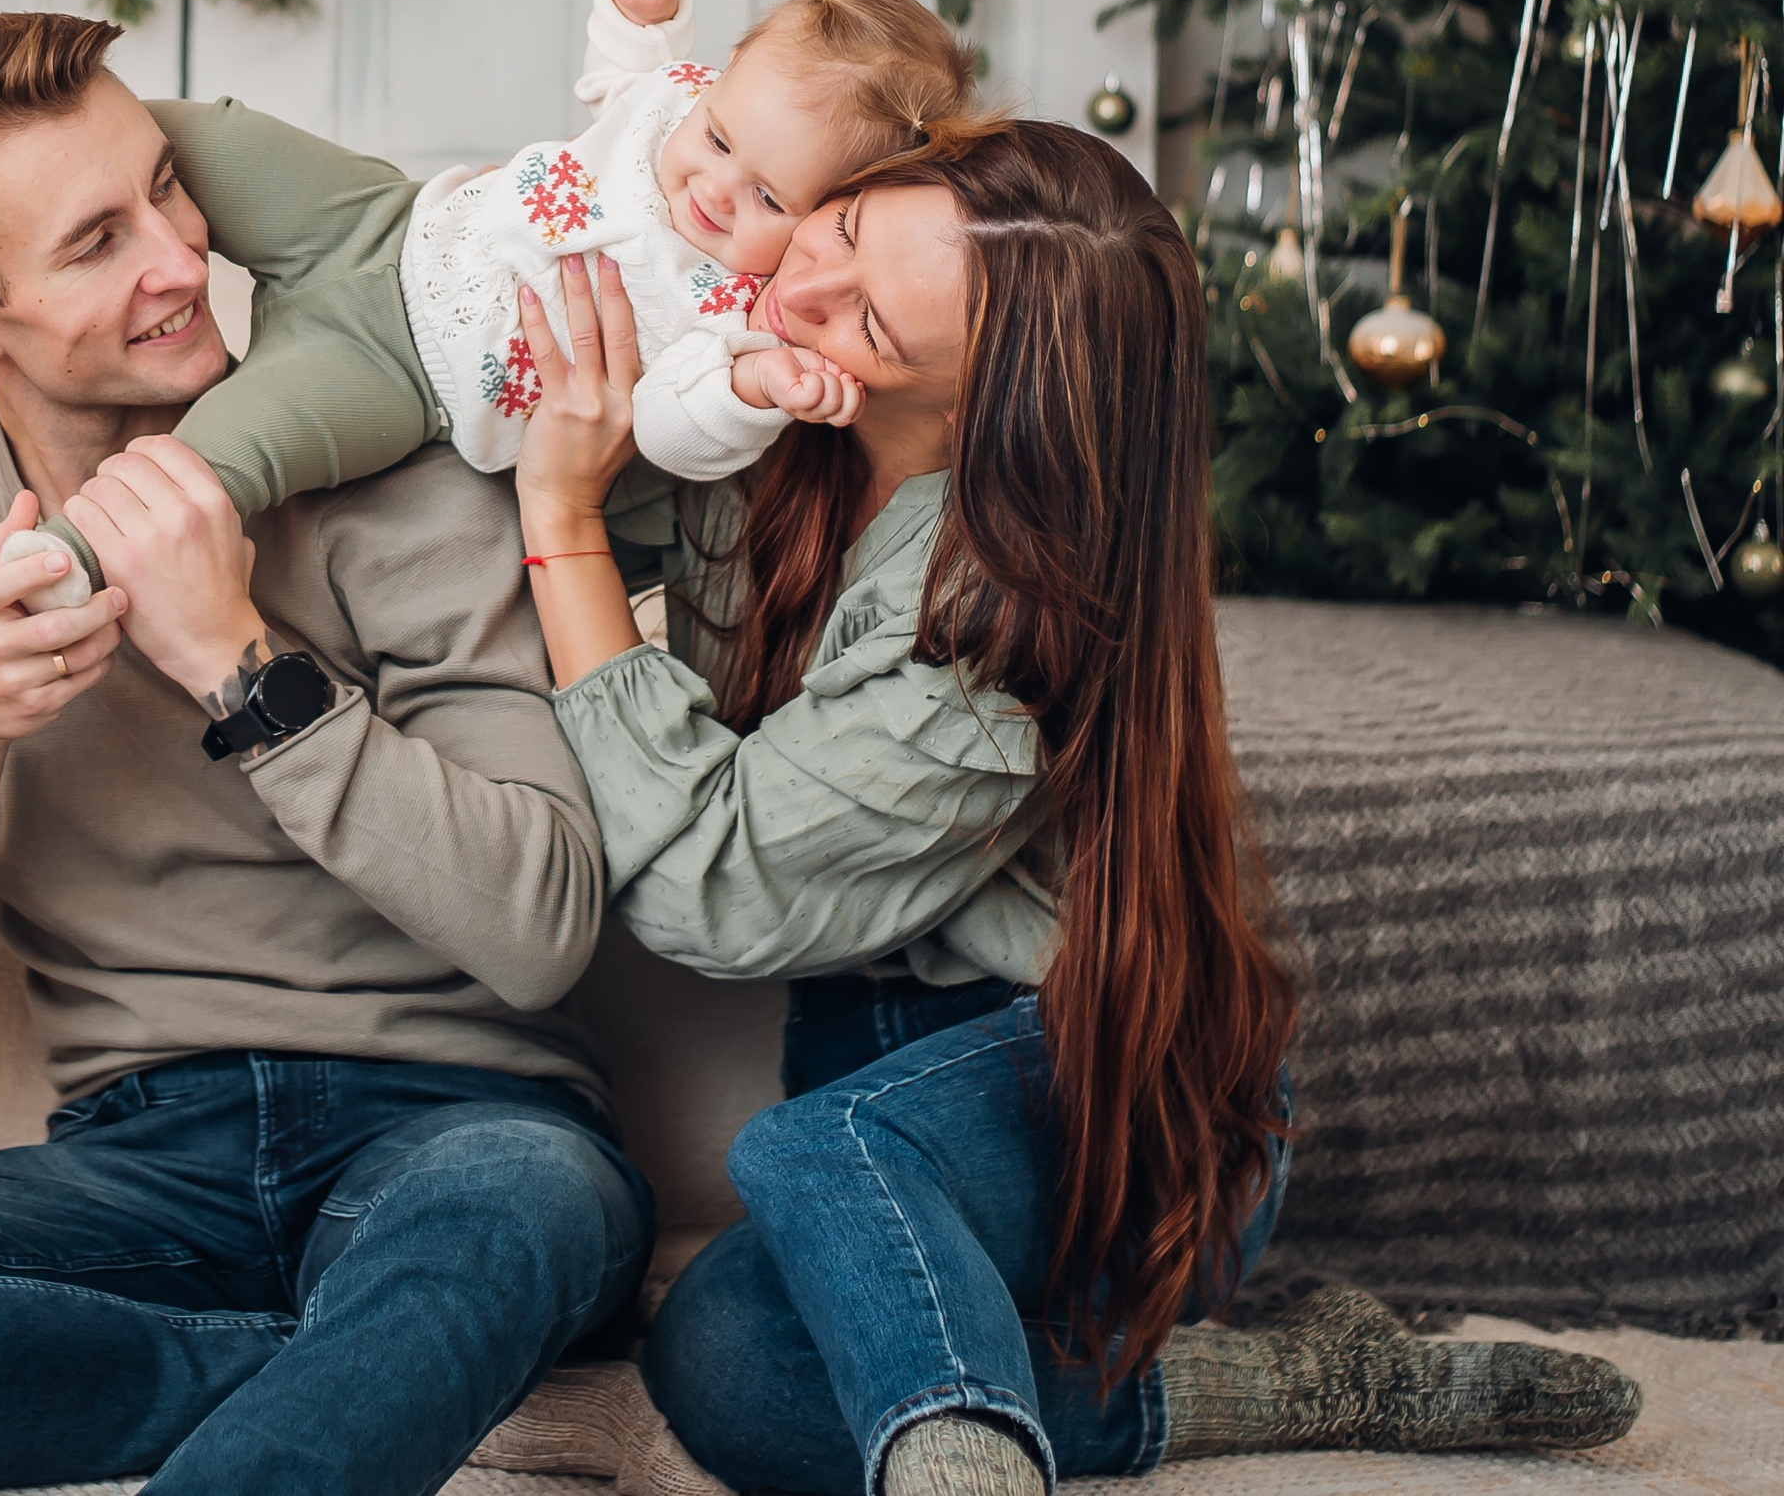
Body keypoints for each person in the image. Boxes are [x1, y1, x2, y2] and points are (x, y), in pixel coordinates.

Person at [482, 121, 1645, 1495]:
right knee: (727, 1357)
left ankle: (988, 1460)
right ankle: (1262, 1377)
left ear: (986, 408)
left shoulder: (1002, 616)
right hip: (892, 1123)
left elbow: (711, 886)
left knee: (814, 1142)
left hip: (1118, 1105)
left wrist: (559, 512)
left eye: (866, 319)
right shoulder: (773, 417)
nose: (794, 290)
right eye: (843, 228)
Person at [0, 10, 658, 1496]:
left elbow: (541, 924)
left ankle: (383, 1357)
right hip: (146, 1160)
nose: (181, 258)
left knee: (521, 1205)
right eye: (96, 241)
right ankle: (376, 1375)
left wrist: (237, 658)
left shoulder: (391, 458)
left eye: (169, 189)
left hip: (463, 1124)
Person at [22, 0, 958, 599]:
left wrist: (756, 390)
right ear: (718, 87)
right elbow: (632, 78)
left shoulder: (734, 315)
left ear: (834, 206)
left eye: (766, 196)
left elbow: (676, 426)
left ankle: (62, 562)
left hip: (403, 378)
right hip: (382, 216)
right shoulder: (691, 106)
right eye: (717, 138)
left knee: (229, 452)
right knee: (212, 137)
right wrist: (644, 12)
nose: (712, 187)